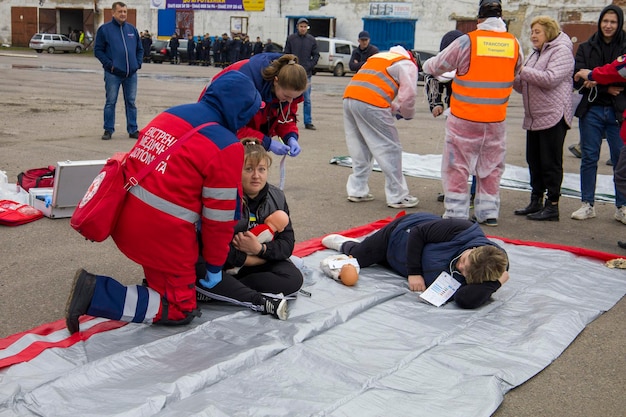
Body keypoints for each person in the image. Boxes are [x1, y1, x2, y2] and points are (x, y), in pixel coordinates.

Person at [64, 71, 271, 334]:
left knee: (164, 288)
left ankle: (154, 288)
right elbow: (218, 220)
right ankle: (94, 293)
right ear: (240, 110)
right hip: (163, 236)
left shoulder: (171, 114)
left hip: (126, 217)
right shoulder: (226, 146)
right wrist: (215, 265)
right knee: (180, 309)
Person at [422, 0, 523, 226]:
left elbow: (437, 65)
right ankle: (488, 212)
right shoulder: (514, 43)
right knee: (491, 167)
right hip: (496, 120)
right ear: (501, 18)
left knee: (457, 166)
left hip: (464, 119)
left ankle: (456, 214)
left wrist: (426, 66)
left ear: (479, 19)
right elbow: (517, 70)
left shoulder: (468, 41)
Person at [195, 139, 304, 319]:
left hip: (256, 259)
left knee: (294, 279)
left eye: (261, 169)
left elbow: (287, 243)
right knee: (198, 268)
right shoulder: (223, 196)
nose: (256, 175)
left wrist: (261, 249)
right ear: (236, 171)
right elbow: (211, 244)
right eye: (248, 169)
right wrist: (249, 258)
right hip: (221, 262)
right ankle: (256, 299)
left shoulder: (276, 197)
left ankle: (226, 291)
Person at [321, 212, 509, 309]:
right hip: (401, 233)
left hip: (401, 262)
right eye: (464, 260)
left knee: (380, 261)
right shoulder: (461, 228)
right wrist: (414, 273)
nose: (460, 267)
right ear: (474, 249)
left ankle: (374, 253)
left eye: (465, 272)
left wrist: (496, 283)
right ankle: (346, 244)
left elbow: (466, 300)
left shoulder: (491, 270)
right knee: (360, 257)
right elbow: (418, 233)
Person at [512, 16, 575, 221]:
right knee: (534, 160)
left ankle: (552, 205)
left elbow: (550, 79)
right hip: (534, 116)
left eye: (537, 32)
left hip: (553, 115)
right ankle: (536, 199)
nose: (533, 36)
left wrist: (522, 70)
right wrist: (514, 75)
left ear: (549, 31)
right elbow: (523, 85)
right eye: (532, 32)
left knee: (550, 162)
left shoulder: (561, 51)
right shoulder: (535, 54)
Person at [342, 45, 419, 208]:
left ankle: (357, 190)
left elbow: (373, 85)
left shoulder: (379, 57)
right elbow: (409, 94)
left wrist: (394, 108)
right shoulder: (406, 63)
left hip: (350, 97)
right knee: (390, 148)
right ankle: (397, 196)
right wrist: (407, 113)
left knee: (359, 146)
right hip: (370, 101)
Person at [570, 4, 626, 223]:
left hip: (618, 112)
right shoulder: (586, 47)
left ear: (619, 23)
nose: (608, 26)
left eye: (613, 22)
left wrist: (595, 80)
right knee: (589, 158)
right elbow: (577, 77)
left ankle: (621, 207)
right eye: (605, 21)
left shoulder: (625, 46)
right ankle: (587, 204)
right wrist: (605, 87)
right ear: (599, 22)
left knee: (620, 160)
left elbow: (619, 78)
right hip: (591, 110)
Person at [212, 53, 308, 157]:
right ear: (276, 81)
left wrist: (290, 137)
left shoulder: (287, 90)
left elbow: (285, 117)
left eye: (293, 97)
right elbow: (233, 126)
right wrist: (267, 142)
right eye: (287, 96)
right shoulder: (244, 85)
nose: (290, 101)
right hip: (216, 129)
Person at [424, 30, 477, 206]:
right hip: (455, 114)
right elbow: (433, 77)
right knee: (454, 157)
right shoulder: (447, 60)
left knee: (474, 157)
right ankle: (454, 192)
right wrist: (436, 103)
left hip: (478, 115)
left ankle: (474, 192)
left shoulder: (471, 61)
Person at [94, 1, 143, 141]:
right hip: (113, 74)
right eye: (120, 11)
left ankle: (133, 129)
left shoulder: (132, 30)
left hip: (131, 74)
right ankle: (108, 129)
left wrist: (137, 64)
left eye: (125, 12)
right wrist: (110, 65)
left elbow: (140, 49)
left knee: (131, 102)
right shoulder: (105, 30)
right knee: (111, 102)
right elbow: (98, 51)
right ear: (113, 13)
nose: (123, 14)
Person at [284, 18, 320, 130]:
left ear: (307, 28)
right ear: (297, 27)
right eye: (301, 26)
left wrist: (309, 66)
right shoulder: (291, 39)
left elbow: (316, 55)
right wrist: (290, 65)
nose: (303, 28)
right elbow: (286, 54)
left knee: (307, 99)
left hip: (306, 74)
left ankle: (308, 122)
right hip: (293, 74)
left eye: (305, 27)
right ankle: (287, 119)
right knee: (289, 97)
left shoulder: (312, 40)